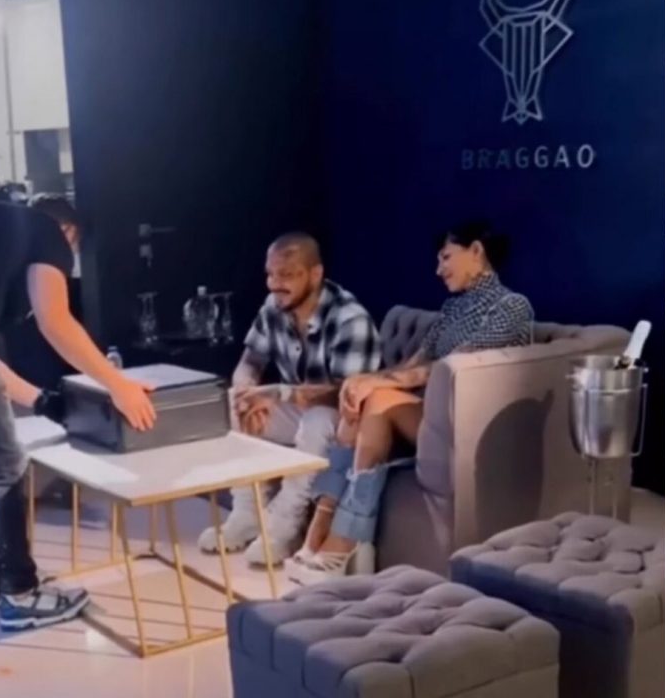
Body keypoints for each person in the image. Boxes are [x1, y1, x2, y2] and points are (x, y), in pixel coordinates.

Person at [287, 221, 533, 583]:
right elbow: (413, 363)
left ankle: (346, 540)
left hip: (467, 427)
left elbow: (451, 366)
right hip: (427, 416)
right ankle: (325, 529)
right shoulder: (453, 308)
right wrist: (361, 382)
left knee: (378, 397)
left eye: (446, 257)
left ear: (477, 251)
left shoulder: (511, 307)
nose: (438, 269)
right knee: (363, 403)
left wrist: (375, 384)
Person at [0, 196, 157, 630]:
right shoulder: (46, 232)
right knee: (4, 466)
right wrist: (118, 385)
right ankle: (20, 595)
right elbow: (55, 321)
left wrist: (42, 400)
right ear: (70, 233)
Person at [197, 233, 381, 567]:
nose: (274, 284)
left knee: (316, 420)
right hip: (301, 407)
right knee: (232, 403)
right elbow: (250, 361)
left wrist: (278, 393)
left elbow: (346, 393)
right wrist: (246, 393)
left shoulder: (349, 319)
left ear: (315, 274)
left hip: (348, 422)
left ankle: (284, 527)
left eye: (286, 275)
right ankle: (247, 513)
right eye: (270, 274)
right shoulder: (274, 306)